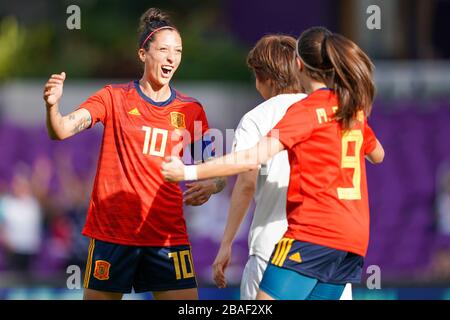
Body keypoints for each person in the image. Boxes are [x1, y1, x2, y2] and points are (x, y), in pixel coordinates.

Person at [162, 26, 385, 300]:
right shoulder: (350, 108)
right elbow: (378, 155)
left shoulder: (300, 112)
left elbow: (250, 163)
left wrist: (187, 170)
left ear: (299, 64)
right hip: (350, 242)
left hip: (305, 236)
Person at [43, 7, 225, 300]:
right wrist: (52, 106)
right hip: (112, 235)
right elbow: (61, 130)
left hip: (167, 237)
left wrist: (212, 185)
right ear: (143, 54)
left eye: (177, 51)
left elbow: (216, 170)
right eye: (164, 50)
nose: (171, 58)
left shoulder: (191, 110)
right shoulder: (112, 98)